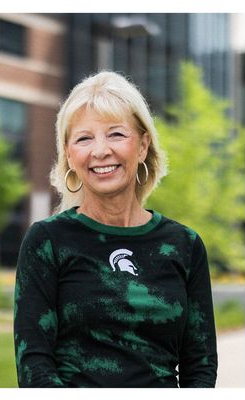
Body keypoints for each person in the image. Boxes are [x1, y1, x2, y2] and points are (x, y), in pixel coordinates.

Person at [14, 71, 218, 388]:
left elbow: (201, 366)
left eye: (116, 134)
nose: (100, 151)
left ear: (142, 145)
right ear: (69, 154)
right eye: (84, 138)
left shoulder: (185, 245)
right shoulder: (48, 241)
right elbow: (34, 365)